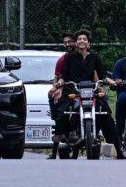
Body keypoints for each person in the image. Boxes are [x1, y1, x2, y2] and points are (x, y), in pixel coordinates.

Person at [54, 29, 126, 159]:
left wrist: (109, 81)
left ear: (89, 43)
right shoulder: (69, 57)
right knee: (62, 112)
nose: (82, 41)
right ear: (76, 43)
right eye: (79, 39)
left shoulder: (94, 57)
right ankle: (55, 149)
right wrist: (60, 82)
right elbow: (63, 75)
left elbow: (102, 74)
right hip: (74, 91)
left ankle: (119, 151)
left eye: (84, 39)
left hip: (91, 90)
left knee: (106, 113)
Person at [47, 31, 76, 159]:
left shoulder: (89, 57)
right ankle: (54, 150)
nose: (67, 44)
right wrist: (56, 87)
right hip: (68, 89)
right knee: (60, 115)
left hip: (85, 89)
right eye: (65, 42)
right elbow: (59, 77)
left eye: (70, 41)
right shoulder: (63, 60)